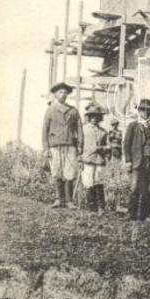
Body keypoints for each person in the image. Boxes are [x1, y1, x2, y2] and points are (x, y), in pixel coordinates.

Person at [42, 81, 84, 210]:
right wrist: (46, 148)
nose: (63, 95)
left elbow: (79, 128)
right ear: (55, 94)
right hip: (55, 145)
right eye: (60, 92)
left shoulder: (73, 111)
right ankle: (58, 199)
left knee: (69, 172)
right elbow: (45, 130)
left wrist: (81, 145)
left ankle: (69, 201)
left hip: (70, 145)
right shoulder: (50, 110)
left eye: (65, 92)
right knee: (57, 172)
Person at [123, 98, 150, 221]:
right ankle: (131, 214)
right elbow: (126, 144)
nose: (145, 113)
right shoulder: (133, 126)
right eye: (143, 110)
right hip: (137, 161)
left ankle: (144, 215)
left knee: (148, 189)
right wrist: (128, 160)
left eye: (148, 110)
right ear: (139, 111)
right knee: (134, 187)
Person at [81, 103, 108, 216]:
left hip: (99, 160)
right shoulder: (83, 130)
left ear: (100, 118)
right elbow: (79, 145)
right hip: (87, 159)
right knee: (88, 183)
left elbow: (108, 146)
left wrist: (103, 148)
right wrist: (79, 158)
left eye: (97, 116)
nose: (94, 118)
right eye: (92, 116)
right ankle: (92, 209)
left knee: (99, 182)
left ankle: (101, 208)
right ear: (89, 117)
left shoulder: (103, 132)